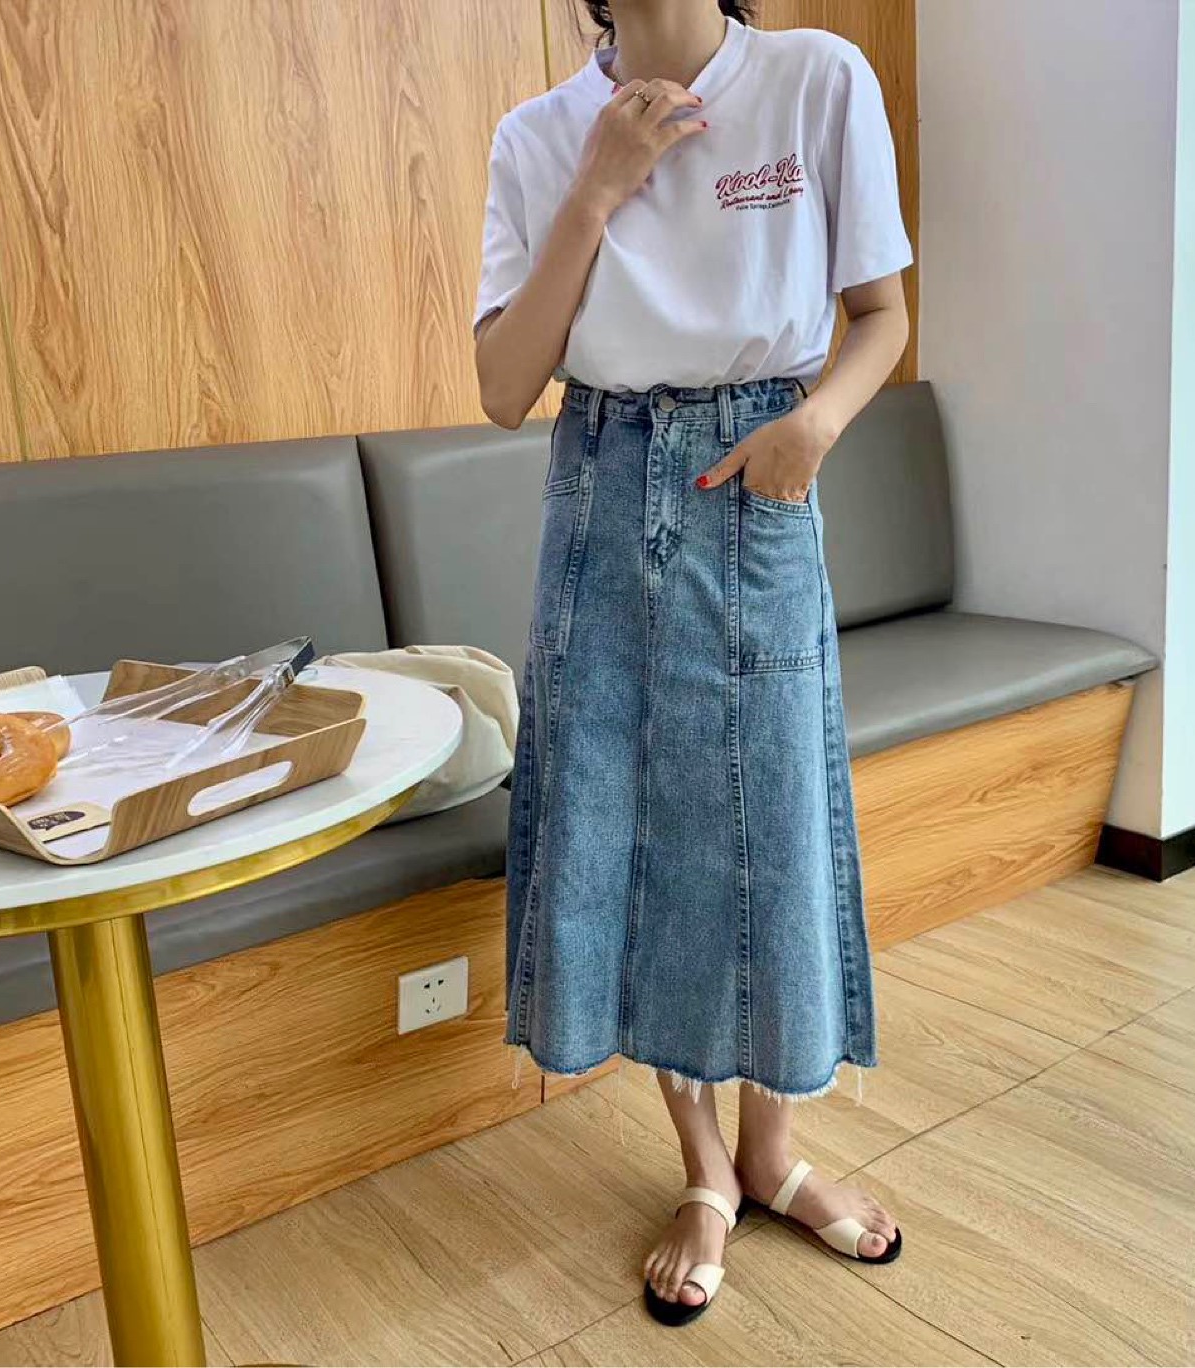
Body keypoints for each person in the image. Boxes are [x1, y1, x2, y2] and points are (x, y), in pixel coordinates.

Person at [474, 0, 911, 1327]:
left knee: (771, 819)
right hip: (602, 484)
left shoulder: (816, 78)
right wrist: (597, 189)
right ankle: (706, 1170)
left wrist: (813, 428)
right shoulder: (540, 133)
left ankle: (775, 1153)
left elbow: (881, 315)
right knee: (634, 827)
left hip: (755, 476)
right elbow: (503, 385)